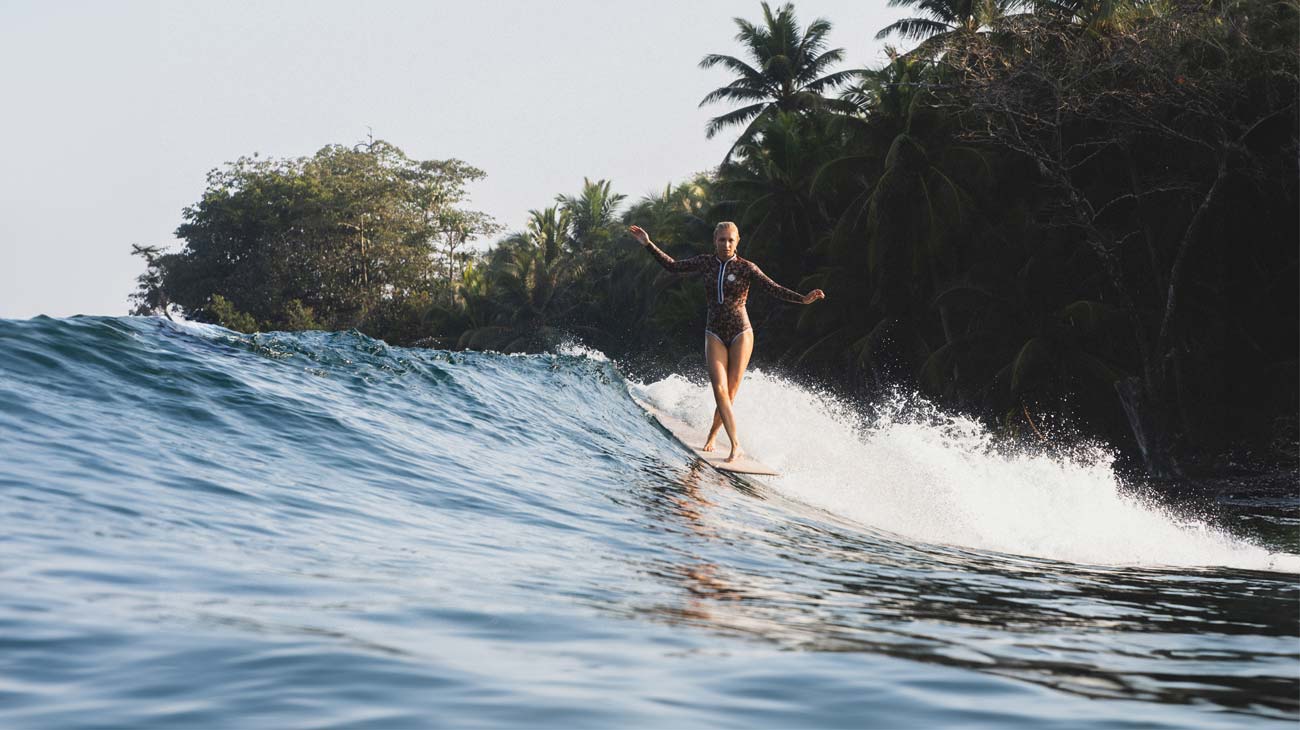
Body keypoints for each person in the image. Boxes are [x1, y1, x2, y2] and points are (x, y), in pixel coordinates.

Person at [628, 222, 825, 463]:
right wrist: (648, 244)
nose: (726, 244)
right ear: (715, 240)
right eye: (722, 240)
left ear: (737, 241)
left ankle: (712, 435)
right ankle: (736, 444)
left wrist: (803, 299)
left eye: (731, 240)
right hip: (715, 332)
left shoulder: (746, 268)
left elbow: (773, 288)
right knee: (719, 390)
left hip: (741, 332)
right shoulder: (705, 262)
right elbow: (672, 266)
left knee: (730, 394)